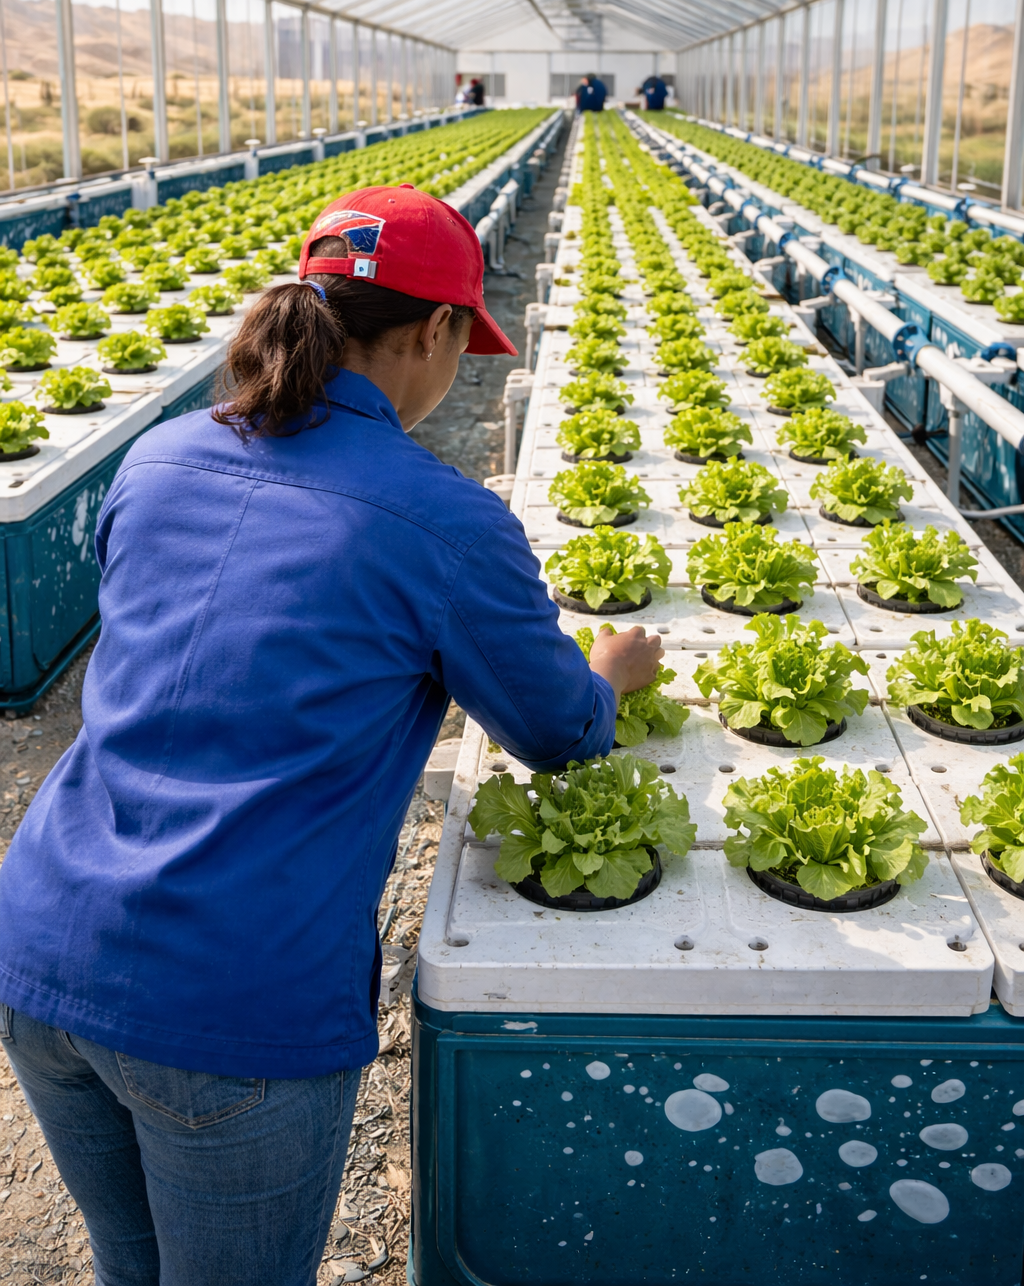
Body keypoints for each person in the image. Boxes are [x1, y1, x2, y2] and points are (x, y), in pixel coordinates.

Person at [0, 184, 663, 1286]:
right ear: (436, 331)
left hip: (42, 943)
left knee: (130, 1271)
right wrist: (611, 675)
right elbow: (558, 733)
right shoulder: (440, 520)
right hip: (226, 995)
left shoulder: (160, 460)